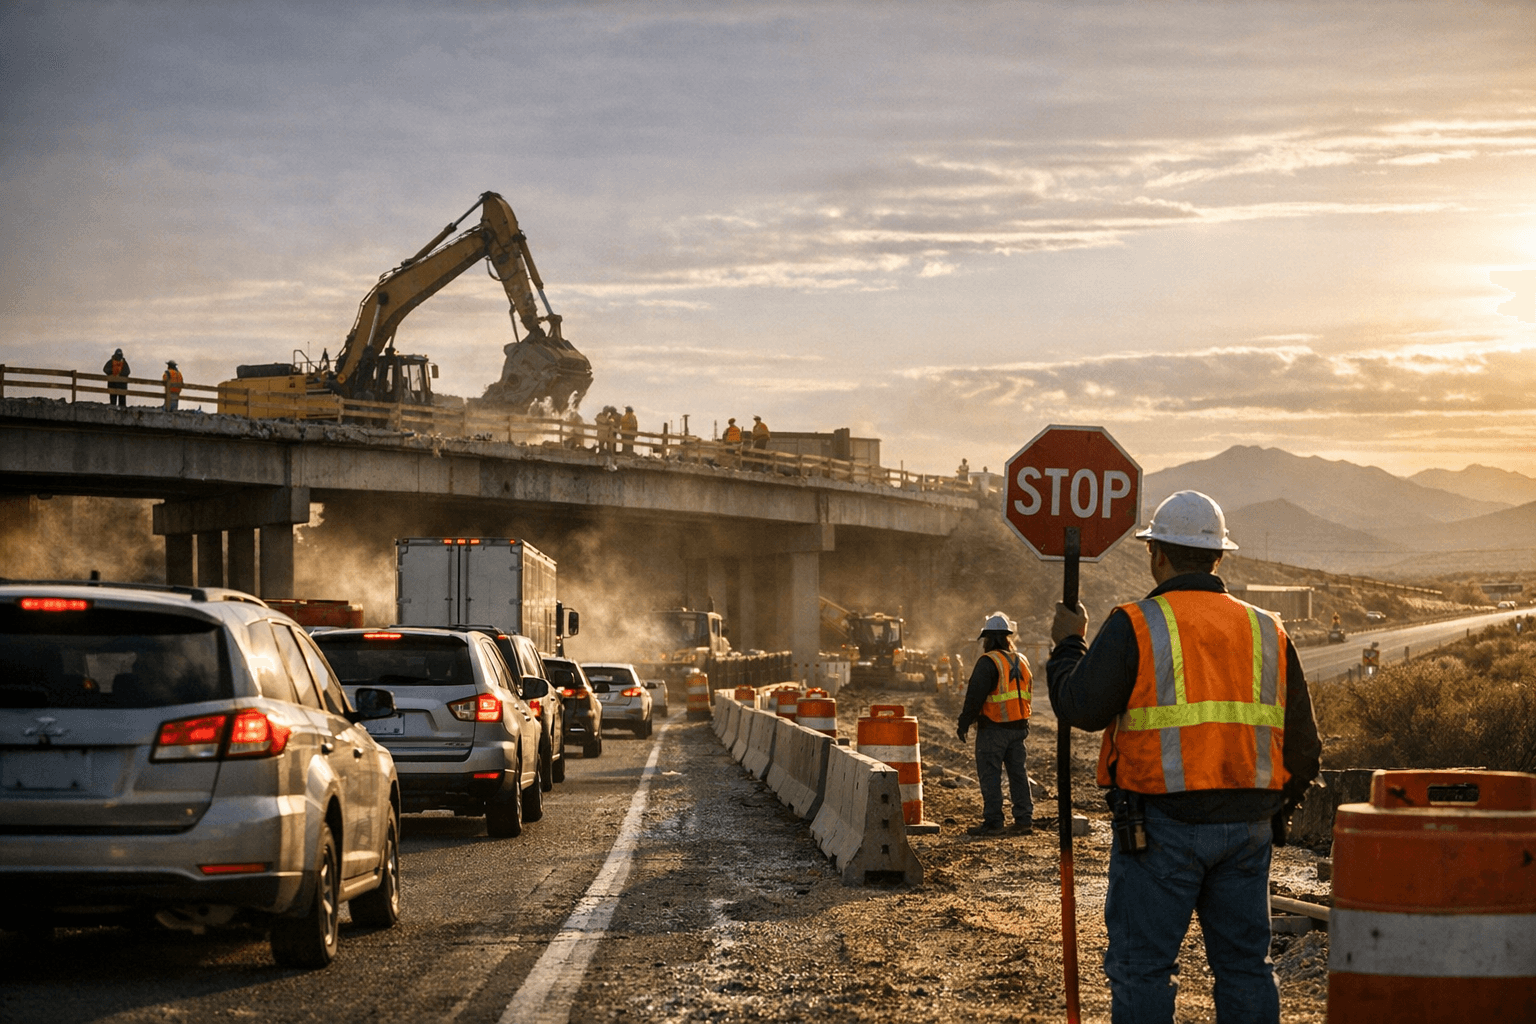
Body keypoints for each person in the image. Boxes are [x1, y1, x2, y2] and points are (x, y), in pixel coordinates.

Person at [1047, 490, 1321, 1024]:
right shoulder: (1269, 629)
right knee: (1245, 968)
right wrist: (1277, 809)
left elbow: (1080, 705)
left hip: (1159, 831)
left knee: (1144, 969)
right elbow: (1306, 745)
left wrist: (1066, 647)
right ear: (1218, 556)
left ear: (1158, 555)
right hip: (1247, 829)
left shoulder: (1136, 624)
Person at [955, 611, 1034, 837]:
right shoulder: (1022, 660)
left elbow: (974, 697)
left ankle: (993, 822)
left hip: (994, 727)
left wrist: (964, 723)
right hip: (1019, 727)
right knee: (1018, 773)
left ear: (988, 639)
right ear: (1008, 637)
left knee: (990, 775)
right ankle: (1024, 819)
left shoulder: (988, 662)